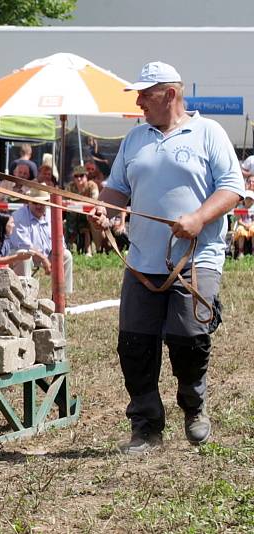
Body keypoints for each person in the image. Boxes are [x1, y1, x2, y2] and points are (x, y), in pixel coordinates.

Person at [90, 61, 244, 454]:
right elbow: (117, 190)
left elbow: (232, 189)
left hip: (197, 256)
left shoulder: (208, 132)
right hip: (143, 260)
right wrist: (103, 212)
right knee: (135, 344)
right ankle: (145, 428)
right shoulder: (135, 138)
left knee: (189, 338)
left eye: (145, 93)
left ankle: (194, 408)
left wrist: (198, 218)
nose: (139, 101)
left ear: (170, 94)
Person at [8, 188, 73, 293]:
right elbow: (25, 247)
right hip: (23, 256)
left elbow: (61, 242)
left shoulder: (53, 215)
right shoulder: (19, 216)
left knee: (66, 255)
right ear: (29, 202)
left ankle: (62, 295)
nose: (38, 206)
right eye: (35, 203)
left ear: (47, 202)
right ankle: (23, 295)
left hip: (47, 255)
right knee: (24, 255)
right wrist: (44, 259)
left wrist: (54, 254)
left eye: (42, 203)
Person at [65, 165, 102, 255]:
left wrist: (76, 204)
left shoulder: (92, 185)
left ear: (86, 176)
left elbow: (94, 203)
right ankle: (68, 250)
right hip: (74, 214)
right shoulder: (70, 186)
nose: (79, 178)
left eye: (81, 175)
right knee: (68, 223)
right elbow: (65, 203)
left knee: (87, 225)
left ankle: (91, 251)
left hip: (89, 214)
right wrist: (78, 206)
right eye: (76, 176)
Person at [232, 191, 254, 258]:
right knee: (240, 230)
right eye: (247, 198)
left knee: (253, 229)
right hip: (242, 224)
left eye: (250, 199)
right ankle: (240, 252)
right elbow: (239, 220)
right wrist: (245, 225)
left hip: (252, 224)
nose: (249, 200)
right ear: (244, 199)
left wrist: (250, 225)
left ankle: (253, 250)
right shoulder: (240, 207)